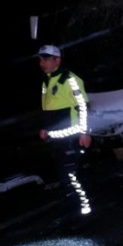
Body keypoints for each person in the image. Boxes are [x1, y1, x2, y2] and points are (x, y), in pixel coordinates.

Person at [36, 44, 93, 215]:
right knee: (64, 175)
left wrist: (84, 132)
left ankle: (83, 209)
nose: (41, 63)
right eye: (40, 59)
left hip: (70, 135)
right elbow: (48, 107)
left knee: (70, 176)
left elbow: (83, 106)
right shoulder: (46, 80)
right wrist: (45, 129)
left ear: (57, 60)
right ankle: (72, 206)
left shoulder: (70, 80)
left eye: (46, 59)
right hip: (54, 137)